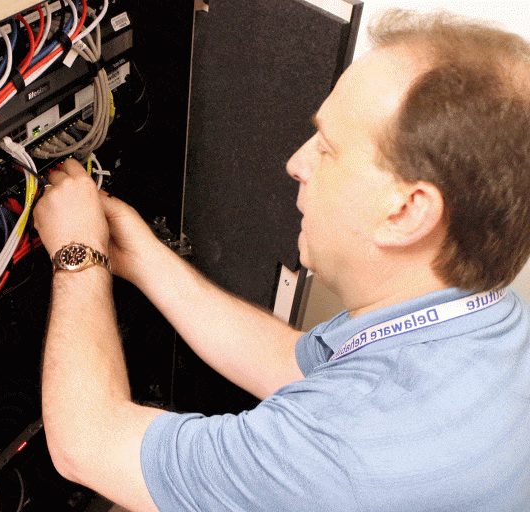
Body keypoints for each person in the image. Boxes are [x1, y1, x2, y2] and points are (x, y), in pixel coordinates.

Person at [32, 9, 530, 512]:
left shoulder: (344, 451)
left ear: (405, 211)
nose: (296, 163)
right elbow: (291, 364)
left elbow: (85, 445)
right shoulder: (487, 321)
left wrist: (78, 256)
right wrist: (141, 259)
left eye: (328, 149)